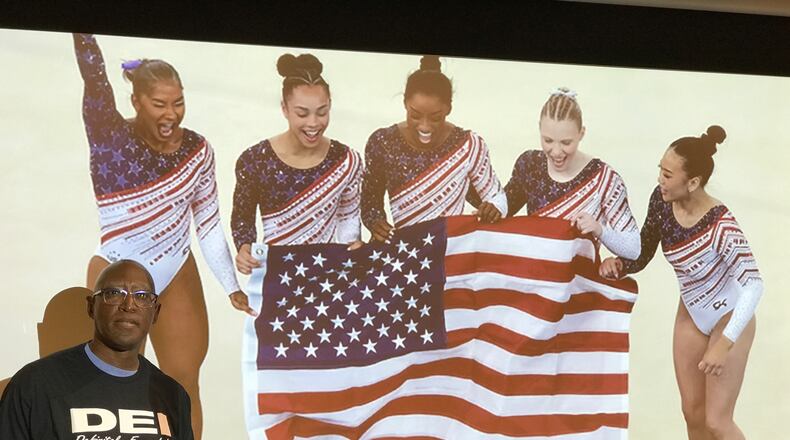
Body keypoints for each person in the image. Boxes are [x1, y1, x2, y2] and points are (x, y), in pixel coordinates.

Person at [73, 33, 246, 439]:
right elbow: (94, 78)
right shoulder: (109, 136)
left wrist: (230, 285)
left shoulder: (197, 150)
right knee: (111, 385)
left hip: (175, 270)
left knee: (182, 385)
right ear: (136, 101)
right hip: (117, 272)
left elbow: (207, 224)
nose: (172, 114)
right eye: (159, 104)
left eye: (178, 102)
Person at [600, 126, 763, 440]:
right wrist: (620, 265)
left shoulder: (721, 224)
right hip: (691, 314)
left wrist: (725, 342)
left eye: (668, 174)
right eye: (660, 170)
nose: (660, 179)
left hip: (730, 317)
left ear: (693, 182)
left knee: (717, 422)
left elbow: (754, 285)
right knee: (693, 415)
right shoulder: (662, 201)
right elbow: (644, 249)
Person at [0, 260, 193, 439]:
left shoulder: (172, 395)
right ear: (91, 307)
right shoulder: (34, 385)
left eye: (141, 296)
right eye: (114, 293)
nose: (128, 306)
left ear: (155, 312)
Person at [232, 52, 363, 276]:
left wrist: (352, 246)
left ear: (330, 106)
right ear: (284, 108)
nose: (313, 123)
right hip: (276, 276)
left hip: (329, 277)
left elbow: (348, 217)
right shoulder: (255, 160)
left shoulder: (347, 160)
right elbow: (243, 219)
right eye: (302, 114)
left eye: (322, 112)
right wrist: (244, 247)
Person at [361, 55, 507, 241]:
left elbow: (496, 196)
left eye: (436, 118)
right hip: (405, 249)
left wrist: (495, 207)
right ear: (405, 103)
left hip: (450, 248)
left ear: (448, 109)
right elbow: (370, 200)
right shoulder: (382, 142)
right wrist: (375, 222)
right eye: (415, 115)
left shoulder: (468, 144)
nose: (425, 126)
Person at [502, 87, 641, 259]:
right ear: (539, 129)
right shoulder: (530, 164)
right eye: (548, 140)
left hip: (578, 275)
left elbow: (634, 248)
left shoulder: (604, 179)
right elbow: (501, 211)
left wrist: (600, 230)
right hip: (535, 272)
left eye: (566, 143)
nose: (556, 151)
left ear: (581, 133)